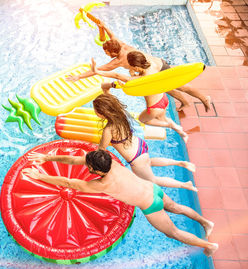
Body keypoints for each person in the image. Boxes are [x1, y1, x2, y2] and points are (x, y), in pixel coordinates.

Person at [22, 149, 218, 257]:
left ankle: (208, 245)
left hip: (150, 205)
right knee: (176, 207)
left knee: (173, 232)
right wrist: (47, 157)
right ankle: (205, 222)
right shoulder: (109, 161)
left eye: (88, 167)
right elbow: (74, 160)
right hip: (152, 189)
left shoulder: (102, 184)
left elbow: (67, 183)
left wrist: (39, 176)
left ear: (96, 171)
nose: (86, 166)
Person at [66, 21, 211, 112]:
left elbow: (97, 71)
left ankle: (204, 98)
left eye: (106, 52)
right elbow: (111, 34)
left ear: (112, 52)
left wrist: (78, 76)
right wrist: (102, 27)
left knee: (181, 86)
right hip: (158, 63)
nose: (105, 54)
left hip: (153, 72)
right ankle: (186, 102)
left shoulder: (117, 62)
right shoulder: (120, 44)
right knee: (171, 88)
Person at [93, 93, 196, 191]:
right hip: (140, 145)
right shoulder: (120, 114)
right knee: (148, 161)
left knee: (152, 180)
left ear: (102, 113)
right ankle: (180, 163)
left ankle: (184, 184)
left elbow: (101, 150)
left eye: (95, 110)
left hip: (135, 158)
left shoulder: (109, 130)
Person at [91, 58, 189, 143]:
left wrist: (97, 71)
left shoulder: (136, 80)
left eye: (130, 67)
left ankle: (173, 126)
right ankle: (181, 132)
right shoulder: (151, 70)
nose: (129, 68)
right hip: (163, 99)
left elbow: (116, 75)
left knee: (142, 119)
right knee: (162, 119)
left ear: (136, 67)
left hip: (154, 108)